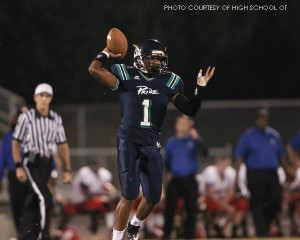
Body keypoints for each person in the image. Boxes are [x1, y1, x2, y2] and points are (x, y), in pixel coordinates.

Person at [88, 39, 215, 240]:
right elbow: (94, 69)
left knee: (154, 196)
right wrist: (105, 52)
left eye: (159, 59)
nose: (156, 63)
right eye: (151, 59)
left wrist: (200, 88)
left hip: (150, 142)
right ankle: (117, 238)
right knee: (129, 194)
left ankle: (134, 227)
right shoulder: (125, 74)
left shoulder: (169, 81)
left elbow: (190, 110)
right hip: (128, 141)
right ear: (139, 58)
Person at [12, 83, 73, 240]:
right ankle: (43, 235)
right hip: (30, 161)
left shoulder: (55, 118)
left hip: (46, 163)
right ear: (35, 97)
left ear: (51, 99)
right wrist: (18, 165)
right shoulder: (27, 117)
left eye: (47, 96)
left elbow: (63, 144)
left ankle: (25, 235)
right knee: (45, 197)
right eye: (41, 96)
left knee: (33, 200)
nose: (44, 99)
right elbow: (16, 142)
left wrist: (68, 169)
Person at [234, 108, 287, 237]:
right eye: (259, 118)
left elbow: (282, 156)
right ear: (255, 120)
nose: (262, 121)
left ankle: (266, 224)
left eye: (264, 118)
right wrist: (236, 177)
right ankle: (261, 232)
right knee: (257, 201)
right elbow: (239, 157)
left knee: (276, 199)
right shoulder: (248, 136)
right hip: (255, 173)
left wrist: (287, 171)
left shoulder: (274, 135)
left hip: (272, 173)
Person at [163, 115, 207, 239]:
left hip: (190, 179)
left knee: (191, 209)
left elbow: (205, 153)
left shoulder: (194, 140)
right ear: (176, 126)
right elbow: (167, 161)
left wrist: (198, 139)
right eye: (181, 123)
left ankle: (189, 235)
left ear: (189, 126)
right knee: (170, 208)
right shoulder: (171, 142)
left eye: (185, 123)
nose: (183, 126)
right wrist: (168, 172)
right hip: (175, 179)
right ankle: (167, 234)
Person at [57, 160, 118, 235]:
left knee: (112, 203)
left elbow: (109, 187)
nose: (96, 168)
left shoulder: (104, 173)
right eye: (94, 166)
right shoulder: (84, 172)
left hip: (95, 199)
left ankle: (111, 229)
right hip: (80, 200)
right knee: (95, 204)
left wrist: (110, 194)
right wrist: (102, 196)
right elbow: (86, 192)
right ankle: (60, 230)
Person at [0, 107, 28, 237]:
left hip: (31, 175)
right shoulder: (10, 137)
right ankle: (21, 234)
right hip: (15, 176)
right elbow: (3, 158)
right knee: (17, 207)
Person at [200, 156, 236, 238]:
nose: (223, 167)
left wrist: (225, 203)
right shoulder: (210, 172)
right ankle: (210, 226)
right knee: (212, 205)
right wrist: (224, 205)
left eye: (225, 165)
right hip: (207, 198)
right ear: (217, 164)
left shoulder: (230, 172)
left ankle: (223, 227)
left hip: (223, 199)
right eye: (221, 164)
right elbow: (209, 193)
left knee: (235, 206)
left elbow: (230, 191)